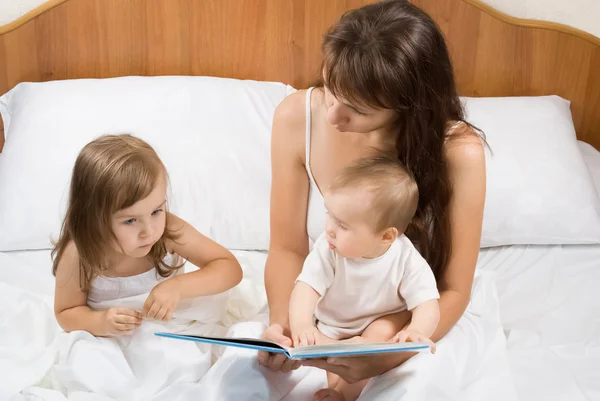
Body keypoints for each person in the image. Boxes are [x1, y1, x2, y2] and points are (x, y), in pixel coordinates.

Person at [259, 0, 487, 398]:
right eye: (330, 88)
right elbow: (286, 247)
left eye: (358, 110)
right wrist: (286, 328)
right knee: (243, 383)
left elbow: (453, 289)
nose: (332, 116)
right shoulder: (298, 117)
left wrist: (386, 354)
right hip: (317, 318)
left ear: (407, 109)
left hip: (410, 325)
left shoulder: (457, 152)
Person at [51, 133, 243, 337]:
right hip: (114, 341)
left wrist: (177, 287)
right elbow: (66, 312)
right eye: (130, 221)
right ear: (94, 219)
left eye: (156, 211)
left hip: (175, 330)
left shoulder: (169, 230)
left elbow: (229, 268)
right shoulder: (78, 253)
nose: (149, 232)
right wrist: (100, 321)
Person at [289, 155, 440, 401]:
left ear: (386, 237)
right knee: (319, 351)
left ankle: (343, 394)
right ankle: (332, 382)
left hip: (377, 323)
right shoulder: (328, 248)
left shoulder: (405, 258)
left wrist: (415, 330)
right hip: (331, 326)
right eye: (329, 215)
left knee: (378, 334)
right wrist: (302, 324)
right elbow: (306, 288)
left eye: (343, 225)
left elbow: (427, 303)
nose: (329, 228)